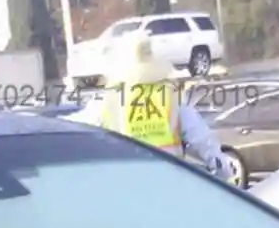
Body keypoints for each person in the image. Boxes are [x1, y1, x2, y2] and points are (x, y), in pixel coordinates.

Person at [71, 37, 240, 183]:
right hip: (169, 180)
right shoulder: (170, 94)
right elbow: (200, 138)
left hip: (128, 182)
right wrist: (221, 169)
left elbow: (76, 125)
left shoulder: (110, 99)